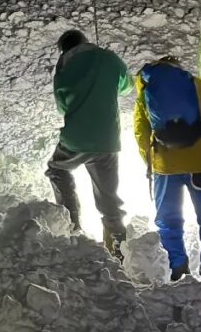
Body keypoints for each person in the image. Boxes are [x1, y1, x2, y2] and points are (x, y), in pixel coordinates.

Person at [133, 56, 201, 286]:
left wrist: (151, 162)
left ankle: (177, 268)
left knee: (168, 219)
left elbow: (140, 131)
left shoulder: (146, 91)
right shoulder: (196, 84)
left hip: (165, 167)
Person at [46, 29, 131, 260]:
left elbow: (62, 106)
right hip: (107, 140)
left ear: (64, 49)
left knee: (57, 169)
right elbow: (126, 86)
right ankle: (117, 247)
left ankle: (71, 224)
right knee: (108, 195)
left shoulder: (63, 69)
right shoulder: (108, 58)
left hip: (76, 138)